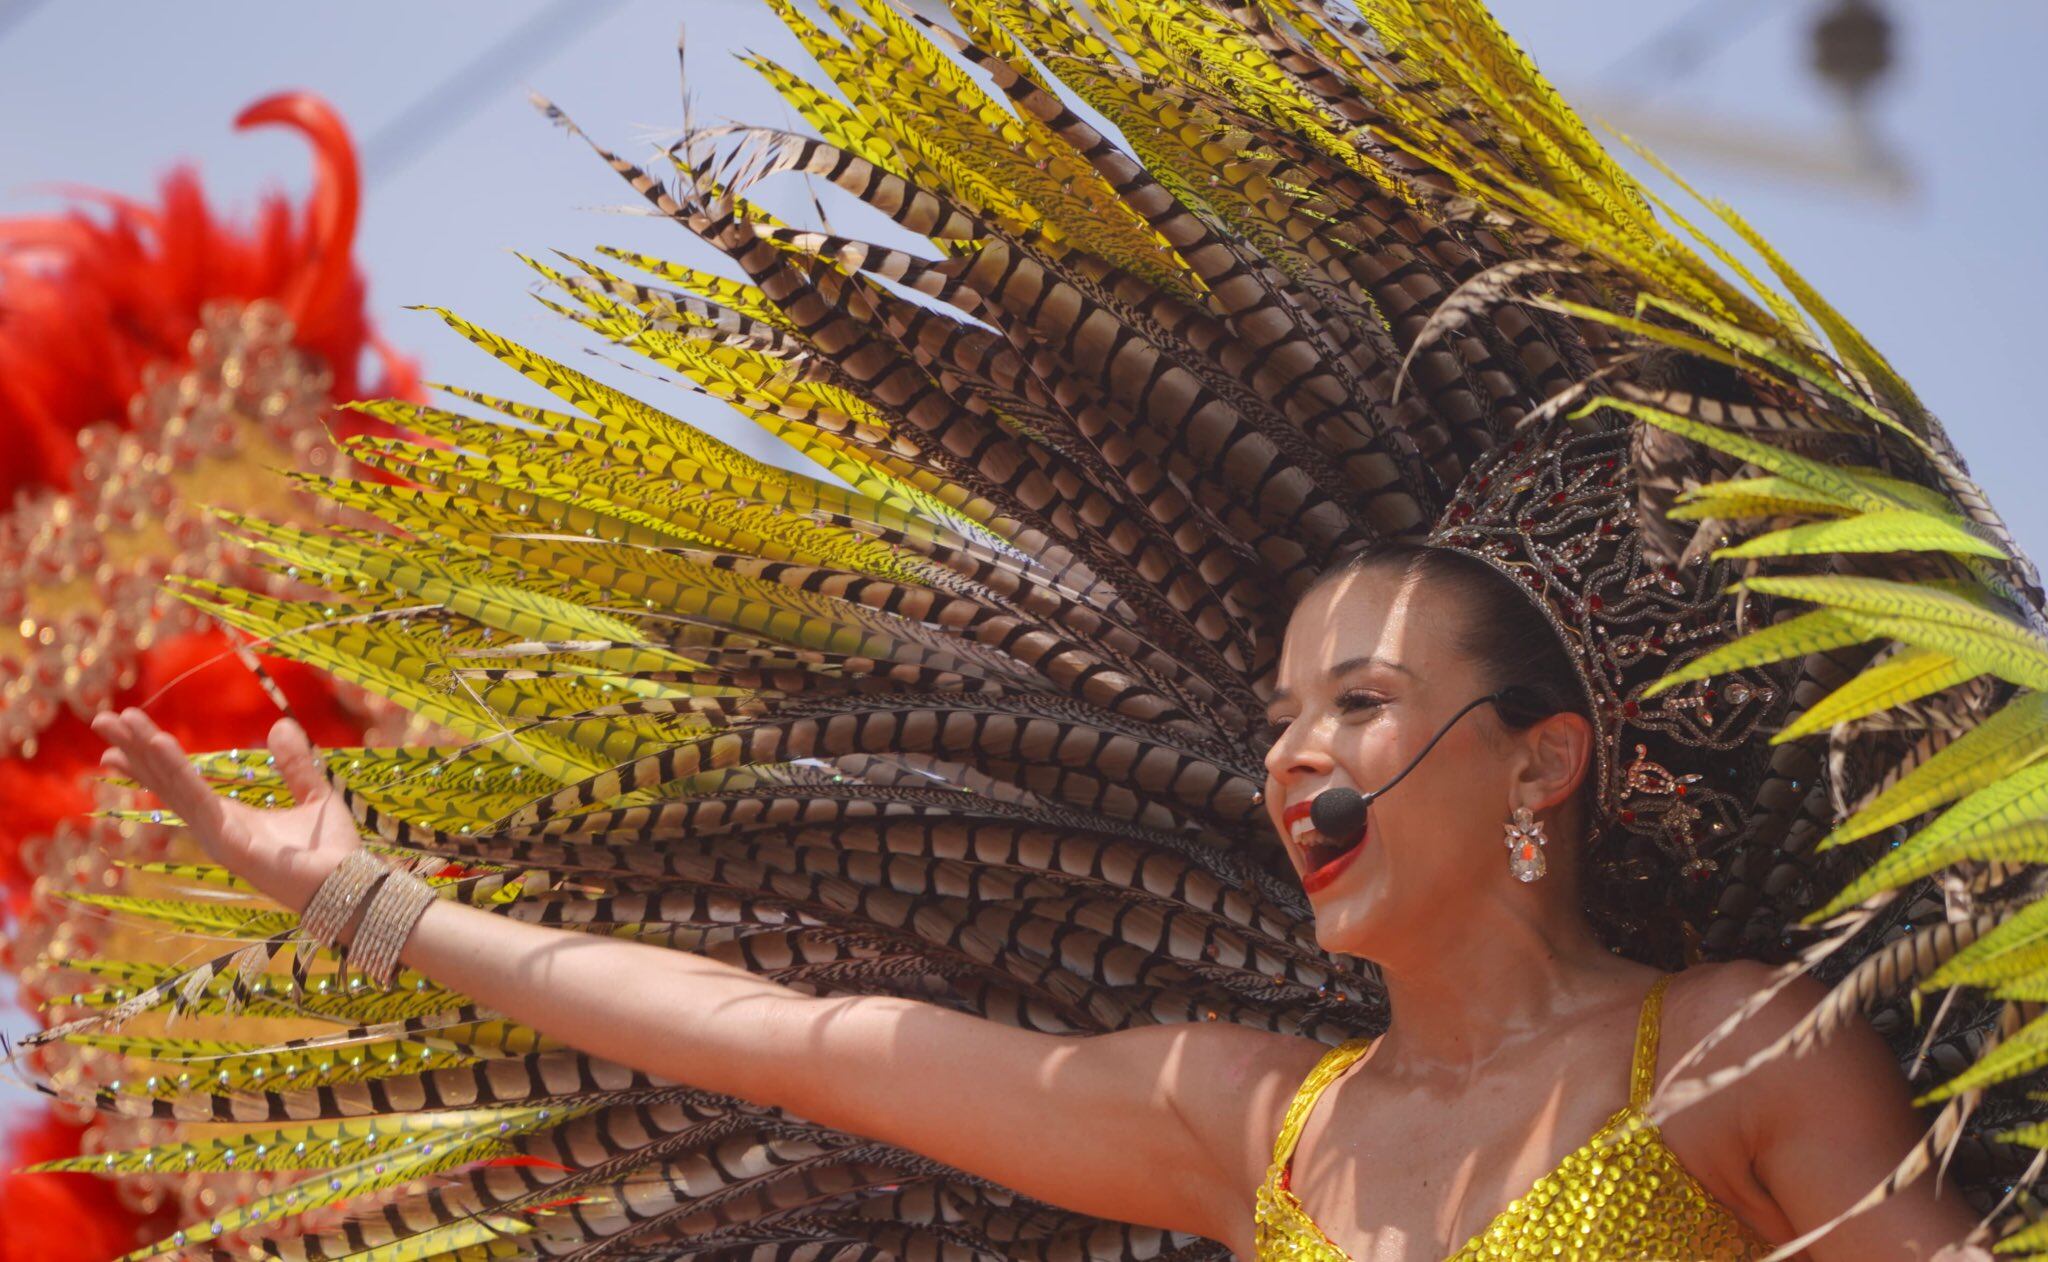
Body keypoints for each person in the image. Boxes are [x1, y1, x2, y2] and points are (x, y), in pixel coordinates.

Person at [35, 0, 2048, 1258]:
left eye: (1358, 702)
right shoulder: (1255, 1126)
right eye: (1280, 713)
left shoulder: (1720, 1053)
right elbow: (789, 1040)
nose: (1294, 754)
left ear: (1541, 762)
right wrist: (360, 902)